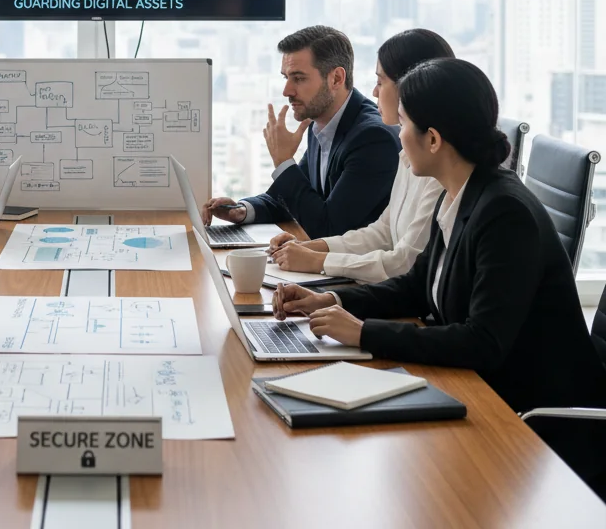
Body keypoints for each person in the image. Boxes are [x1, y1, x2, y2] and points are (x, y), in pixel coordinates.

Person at [271, 58, 606, 485]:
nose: (398, 137)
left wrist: (362, 333)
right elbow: (416, 287)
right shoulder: (460, 193)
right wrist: (333, 300)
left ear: (432, 139)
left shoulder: (504, 213)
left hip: (533, 425)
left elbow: (482, 342)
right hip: (479, 390)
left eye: (404, 125)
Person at [269, 29, 454, 282]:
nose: (375, 92)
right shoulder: (408, 155)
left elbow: (404, 262)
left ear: (414, 87)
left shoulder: (436, 168)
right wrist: (315, 248)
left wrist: (319, 260)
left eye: (380, 82)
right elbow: (383, 232)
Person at [202, 26, 400, 238]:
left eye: (298, 78)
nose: (286, 91)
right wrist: (242, 211)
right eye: (285, 77)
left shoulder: (372, 139)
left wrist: (284, 161)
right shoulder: (320, 124)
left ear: (336, 79)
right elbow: (292, 197)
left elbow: (328, 228)